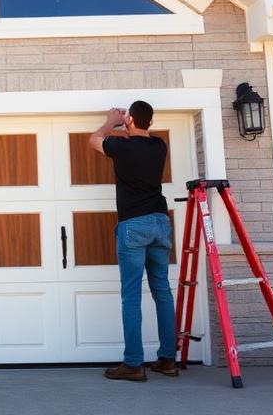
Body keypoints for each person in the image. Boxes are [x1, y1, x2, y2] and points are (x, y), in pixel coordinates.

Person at [88, 100, 178, 382]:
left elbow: (94, 140)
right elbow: (136, 138)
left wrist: (110, 122)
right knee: (162, 291)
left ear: (129, 120)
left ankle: (134, 364)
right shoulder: (159, 146)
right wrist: (126, 126)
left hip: (134, 225)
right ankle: (167, 360)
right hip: (160, 222)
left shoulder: (123, 149)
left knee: (131, 296)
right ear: (150, 122)